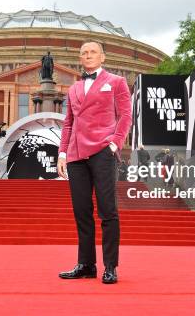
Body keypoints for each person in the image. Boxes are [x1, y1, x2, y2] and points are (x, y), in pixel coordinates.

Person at [57, 40, 132, 284]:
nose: (88, 56)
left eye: (92, 52)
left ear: (102, 57)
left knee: (107, 211)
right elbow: (68, 123)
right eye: (84, 53)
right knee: (82, 212)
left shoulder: (116, 82)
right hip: (76, 154)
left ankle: (110, 266)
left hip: (103, 151)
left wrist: (114, 144)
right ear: (80, 58)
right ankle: (86, 264)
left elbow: (125, 116)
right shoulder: (74, 88)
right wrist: (62, 153)